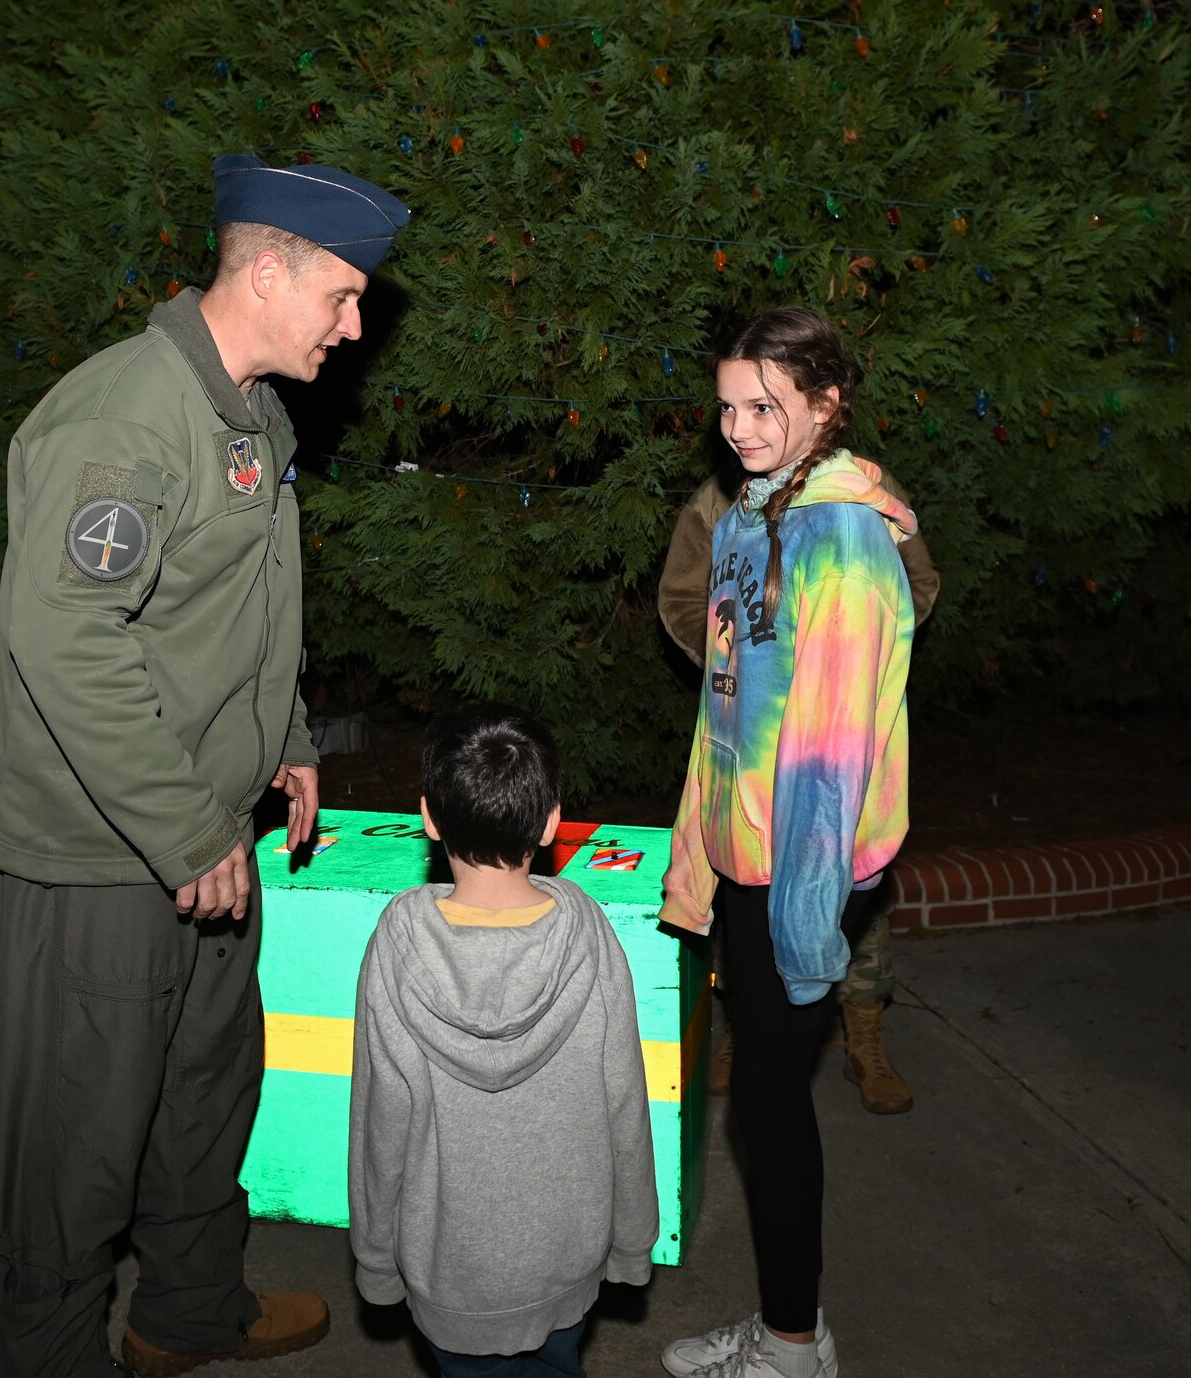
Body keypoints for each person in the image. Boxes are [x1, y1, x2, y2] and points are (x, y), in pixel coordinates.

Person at [0, 153, 409, 1378]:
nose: (355, 322)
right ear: (266, 272)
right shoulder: (125, 418)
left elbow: (234, 611)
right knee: (76, 1145)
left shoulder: (248, 412)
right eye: (342, 295)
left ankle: (188, 1308)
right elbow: (66, 640)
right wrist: (187, 829)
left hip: (202, 828)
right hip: (98, 852)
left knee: (202, 1089)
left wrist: (282, 744)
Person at [659, 307, 917, 1378]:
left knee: (769, 1112)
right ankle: (785, 1325)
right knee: (762, 1111)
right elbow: (722, 712)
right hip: (748, 860)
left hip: (795, 875)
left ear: (826, 403)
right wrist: (697, 856)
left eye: (763, 406)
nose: (739, 430)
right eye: (725, 408)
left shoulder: (841, 534)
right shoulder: (751, 513)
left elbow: (829, 748)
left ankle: (791, 1344)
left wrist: (808, 930)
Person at [349, 706, 658, 1378]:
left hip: (449, 1273)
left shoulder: (397, 944)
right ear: (552, 821)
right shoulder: (589, 934)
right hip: (565, 1261)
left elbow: (380, 1121)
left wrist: (375, 1259)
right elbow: (625, 1102)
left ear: (428, 817)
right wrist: (633, 1243)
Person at [658, 459, 938, 1115]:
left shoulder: (866, 492)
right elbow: (679, 596)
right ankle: (747, 1034)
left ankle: (865, 1032)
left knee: (844, 871)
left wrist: (853, 656)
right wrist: (747, 668)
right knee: (746, 890)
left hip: (838, 730)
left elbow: (917, 583)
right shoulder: (720, 500)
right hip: (749, 745)